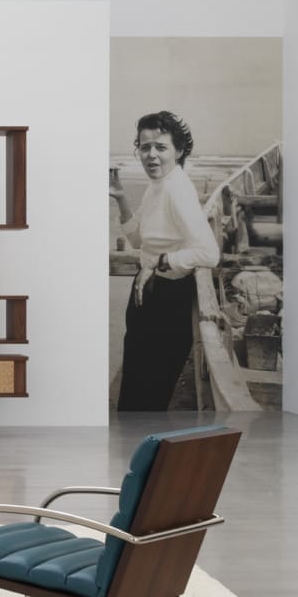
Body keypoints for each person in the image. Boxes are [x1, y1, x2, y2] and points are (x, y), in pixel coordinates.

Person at [112, 110, 221, 412]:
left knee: (147, 400)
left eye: (160, 147)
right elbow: (138, 241)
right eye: (144, 147)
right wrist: (121, 199)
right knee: (134, 394)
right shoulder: (156, 186)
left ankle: (138, 455)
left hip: (167, 305)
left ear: (179, 150)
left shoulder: (177, 188)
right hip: (147, 297)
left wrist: (158, 263)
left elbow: (209, 253)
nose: (151, 155)